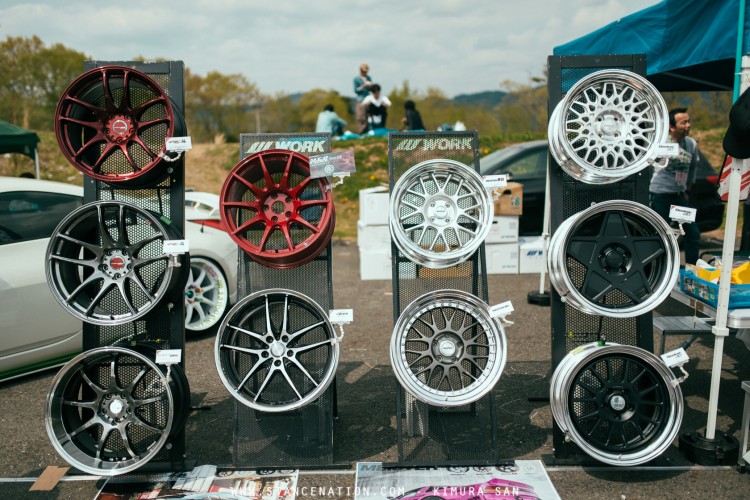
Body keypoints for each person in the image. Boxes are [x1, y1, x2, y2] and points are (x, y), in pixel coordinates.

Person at [649, 107, 701, 265]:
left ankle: (691, 269)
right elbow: (649, 162)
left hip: (679, 197)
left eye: (688, 121)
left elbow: (692, 169)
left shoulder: (691, 144)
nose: (688, 125)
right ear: (672, 127)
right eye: (683, 122)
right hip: (660, 196)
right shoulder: (661, 142)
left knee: (693, 233)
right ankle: (656, 268)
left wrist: (687, 190)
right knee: (659, 235)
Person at [353, 63, 373, 134]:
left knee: (368, 116)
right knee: (360, 117)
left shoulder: (369, 78)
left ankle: (367, 132)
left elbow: (372, 90)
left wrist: (370, 86)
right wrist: (363, 86)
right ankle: (360, 132)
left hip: (368, 99)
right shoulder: (356, 79)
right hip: (360, 100)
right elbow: (356, 90)